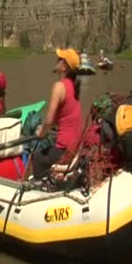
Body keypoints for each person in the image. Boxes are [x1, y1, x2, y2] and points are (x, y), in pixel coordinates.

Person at [31, 48, 83, 180]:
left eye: (60, 59)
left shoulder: (59, 86)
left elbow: (48, 120)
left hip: (63, 148)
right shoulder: (74, 87)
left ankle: (36, 185)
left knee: (36, 157)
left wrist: (41, 134)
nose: (57, 61)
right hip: (75, 147)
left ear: (64, 66)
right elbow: (61, 117)